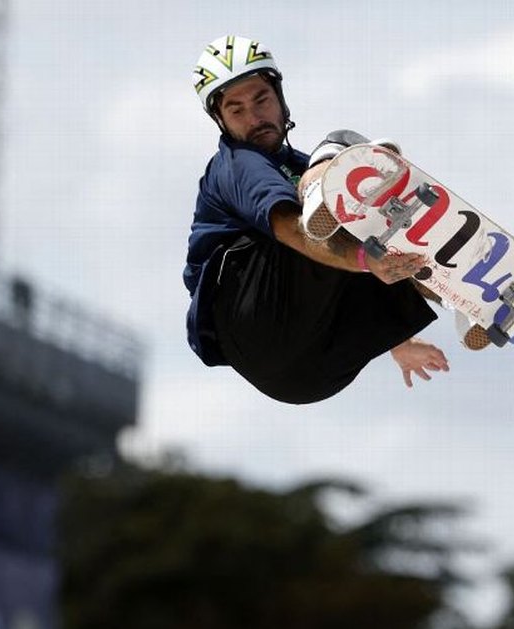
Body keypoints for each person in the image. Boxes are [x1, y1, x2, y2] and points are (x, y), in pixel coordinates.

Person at [184, 35, 451, 405]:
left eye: (261, 100)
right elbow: (290, 229)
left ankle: (469, 299)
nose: (255, 118)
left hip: (308, 374)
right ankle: (317, 195)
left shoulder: (294, 164)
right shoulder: (236, 164)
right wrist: (362, 260)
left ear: (279, 97)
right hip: (251, 321)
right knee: (343, 153)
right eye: (237, 110)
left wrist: (398, 340)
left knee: (371, 217)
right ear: (221, 121)